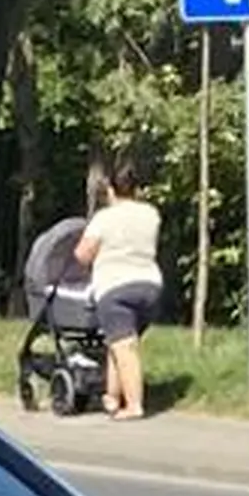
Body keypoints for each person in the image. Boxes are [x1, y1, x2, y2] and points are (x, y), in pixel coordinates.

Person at [75, 154, 163, 420]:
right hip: (150, 285)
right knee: (118, 342)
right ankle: (113, 397)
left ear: (110, 189)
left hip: (115, 288)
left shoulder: (104, 218)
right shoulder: (151, 214)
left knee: (125, 347)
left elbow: (83, 254)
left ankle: (134, 404)